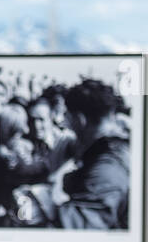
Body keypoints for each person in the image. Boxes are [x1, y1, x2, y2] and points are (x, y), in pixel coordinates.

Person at [53, 80, 130, 229]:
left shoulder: (109, 165)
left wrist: (44, 203)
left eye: (68, 118)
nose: (66, 124)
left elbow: (84, 225)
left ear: (80, 120)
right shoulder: (109, 151)